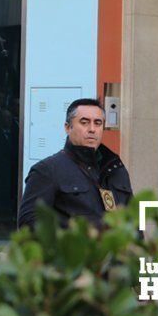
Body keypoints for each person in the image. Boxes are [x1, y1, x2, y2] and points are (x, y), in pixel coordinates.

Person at [18, 98, 133, 229]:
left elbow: (134, 218)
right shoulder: (47, 170)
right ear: (67, 127)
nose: (92, 129)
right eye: (84, 123)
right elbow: (29, 224)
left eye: (98, 123)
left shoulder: (115, 168)